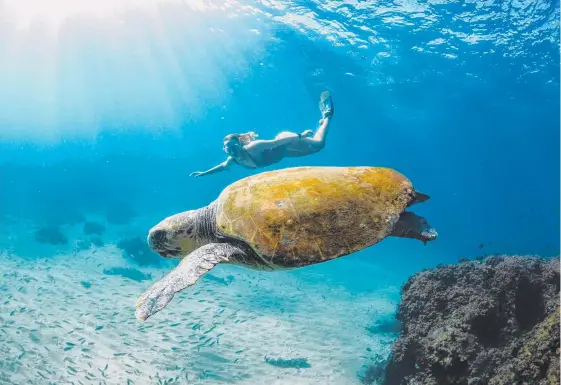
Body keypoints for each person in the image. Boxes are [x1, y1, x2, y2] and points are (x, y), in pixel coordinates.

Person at [189, 91, 334, 178]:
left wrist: (300, 136)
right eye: (227, 149)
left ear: (239, 145)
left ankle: (327, 115)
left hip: (285, 141)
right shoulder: (233, 160)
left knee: (319, 144)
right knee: (313, 152)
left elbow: (276, 143)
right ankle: (322, 122)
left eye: (233, 147)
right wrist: (204, 173)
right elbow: (222, 167)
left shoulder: (253, 147)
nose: (231, 151)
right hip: (283, 154)